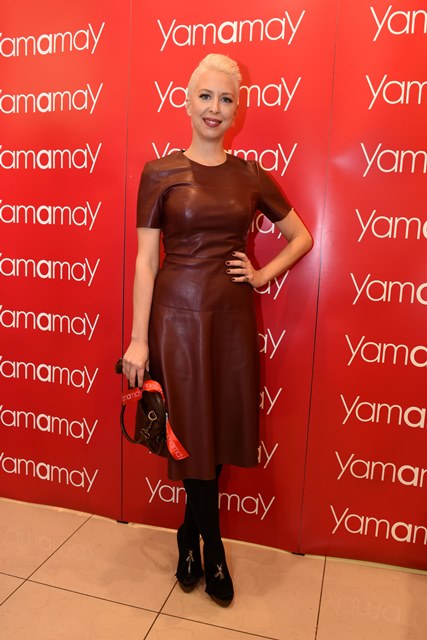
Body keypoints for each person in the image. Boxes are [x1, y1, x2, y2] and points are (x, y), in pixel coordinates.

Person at [122, 53, 313, 606]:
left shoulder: (251, 175)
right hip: (175, 321)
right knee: (190, 432)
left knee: (219, 428)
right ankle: (213, 547)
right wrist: (138, 338)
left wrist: (261, 275)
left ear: (237, 110)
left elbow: (300, 237)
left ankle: (188, 533)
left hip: (230, 320)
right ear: (186, 102)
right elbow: (146, 261)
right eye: (205, 96)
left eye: (226, 99)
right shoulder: (158, 172)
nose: (214, 107)